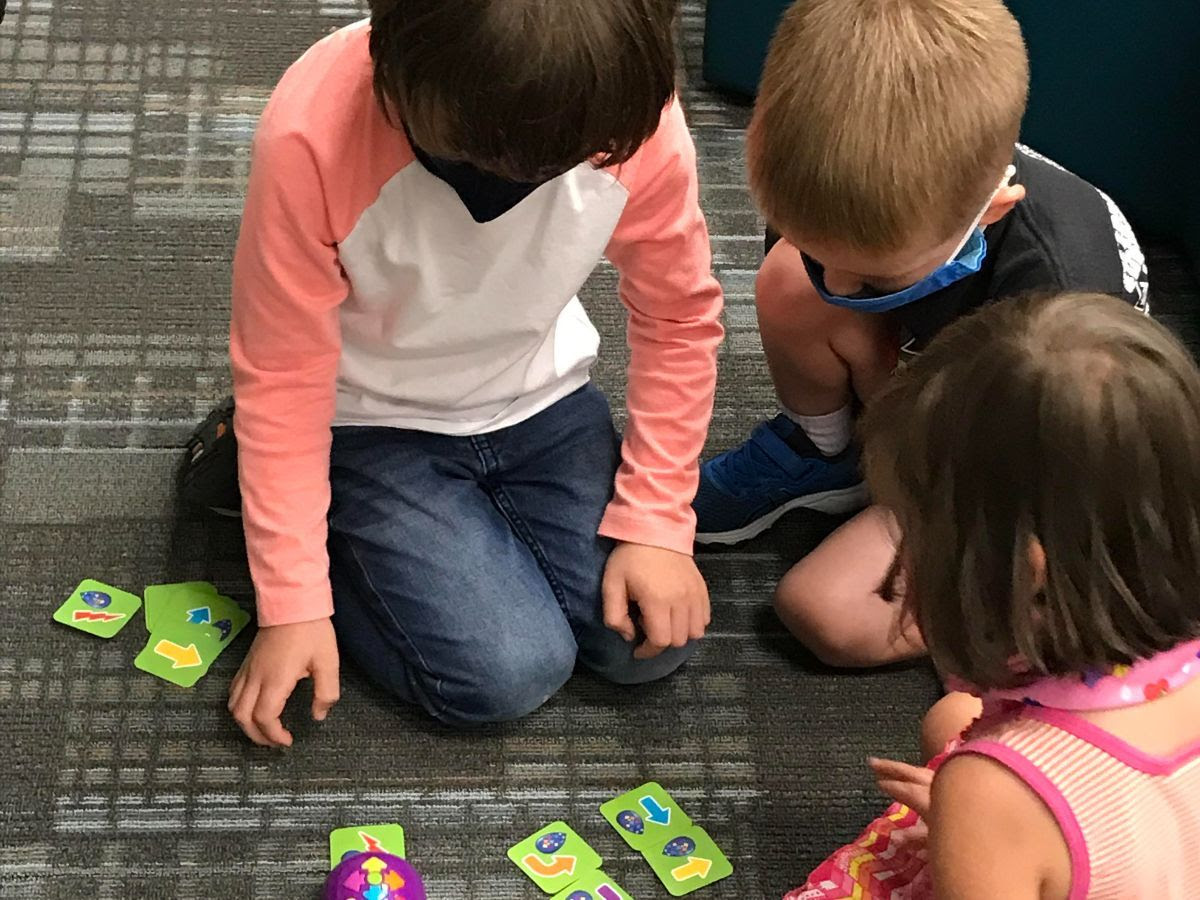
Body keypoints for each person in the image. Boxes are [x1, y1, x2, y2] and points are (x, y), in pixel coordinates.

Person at [223, 0, 724, 746]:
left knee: (649, 642)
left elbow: (679, 319)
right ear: (394, 75)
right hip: (370, 422)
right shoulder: (310, 134)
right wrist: (293, 602)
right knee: (506, 675)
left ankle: (349, 527)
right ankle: (272, 496)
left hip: (541, 402)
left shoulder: (624, 107)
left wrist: (658, 522)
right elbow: (283, 373)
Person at [691, 0, 1150, 667]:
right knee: (788, 280)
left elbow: (1048, 487)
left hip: (1020, 470)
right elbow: (831, 278)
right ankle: (827, 459)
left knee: (825, 611)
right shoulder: (841, 184)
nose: (840, 291)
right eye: (823, 253)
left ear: (990, 212)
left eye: (877, 277)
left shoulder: (1066, 310)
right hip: (933, 395)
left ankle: (1031, 628)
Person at [788, 293, 1200, 899]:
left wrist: (980, 826)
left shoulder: (987, 793)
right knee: (950, 721)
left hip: (1031, 809)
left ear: (1018, 569)